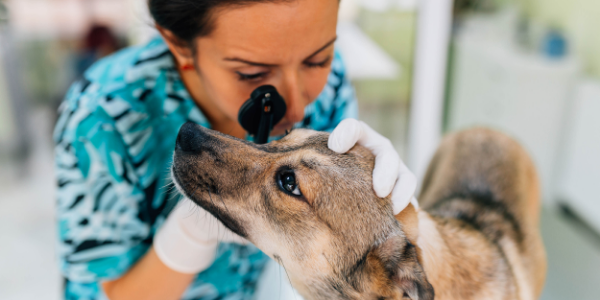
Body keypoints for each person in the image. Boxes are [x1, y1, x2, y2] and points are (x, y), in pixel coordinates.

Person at [53, 0, 417, 299]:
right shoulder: (103, 118)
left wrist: (393, 220)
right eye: (252, 73)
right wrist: (184, 239)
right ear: (180, 46)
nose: (296, 105)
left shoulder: (331, 82)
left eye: (317, 59)